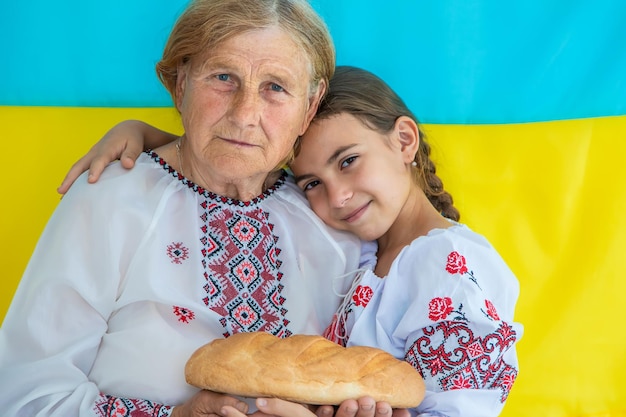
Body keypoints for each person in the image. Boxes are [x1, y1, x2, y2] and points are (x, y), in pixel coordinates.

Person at [0, 1, 407, 416]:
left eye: (275, 88)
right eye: (224, 77)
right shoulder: (111, 202)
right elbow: (24, 393)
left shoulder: (332, 215)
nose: (245, 115)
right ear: (180, 84)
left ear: (310, 104)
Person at [58, 66, 523, 417]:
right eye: (312, 184)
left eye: (348, 161)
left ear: (404, 141)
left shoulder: (450, 268)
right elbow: (237, 165)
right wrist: (142, 133)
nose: (337, 196)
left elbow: (465, 403)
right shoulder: (364, 245)